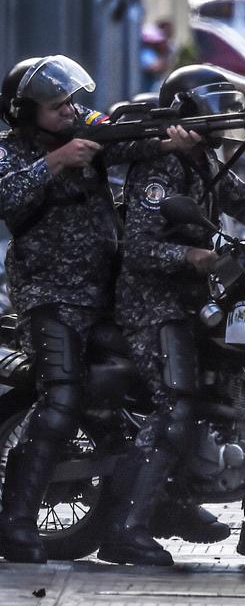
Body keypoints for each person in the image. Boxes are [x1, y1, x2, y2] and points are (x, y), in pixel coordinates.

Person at [97, 64, 245, 567]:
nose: (224, 120)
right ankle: (127, 529)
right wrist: (192, 257)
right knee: (177, 403)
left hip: (200, 300)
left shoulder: (202, 159)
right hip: (153, 305)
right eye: (215, 110)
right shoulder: (159, 167)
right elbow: (140, 249)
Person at [0, 55, 220, 564]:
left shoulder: (89, 134)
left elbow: (135, 138)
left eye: (72, 102)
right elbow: (6, 199)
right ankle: (15, 523)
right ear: (25, 114)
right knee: (61, 402)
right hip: (50, 296)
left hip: (106, 292)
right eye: (57, 108)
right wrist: (54, 163)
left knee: (153, 395)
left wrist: (175, 138)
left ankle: (163, 505)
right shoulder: (11, 153)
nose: (70, 112)